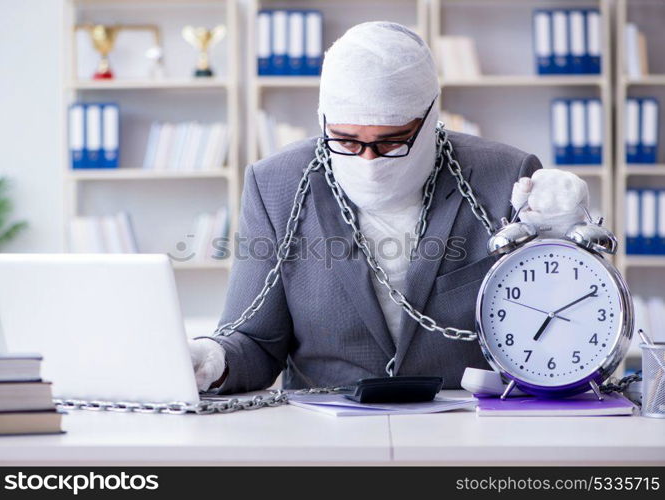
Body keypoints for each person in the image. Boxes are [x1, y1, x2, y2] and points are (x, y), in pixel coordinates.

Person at [189, 22, 589, 393]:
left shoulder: (505, 177)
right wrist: (211, 361)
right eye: (346, 141)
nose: (367, 160)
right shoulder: (276, 185)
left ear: (430, 118)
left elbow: (565, 322)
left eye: (391, 142)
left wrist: (564, 243)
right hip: (325, 435)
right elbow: (255, 341)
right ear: (323, 120)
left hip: (471, 428)